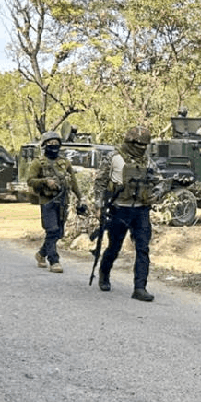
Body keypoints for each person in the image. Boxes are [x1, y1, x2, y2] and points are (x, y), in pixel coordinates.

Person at [93, 126, 161, 302]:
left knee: (143, 248)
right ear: (129, 142)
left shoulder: (147, 161)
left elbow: (158, 182)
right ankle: (104, 273)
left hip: (141, 210)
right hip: (119, 209)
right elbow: (100, 182)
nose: (142, 148)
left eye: (144, 145)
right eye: (139, 145)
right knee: (114, 247)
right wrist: (99, 206)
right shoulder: (114, 158)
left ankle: (140, 288)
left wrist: (156, 194)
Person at [27, 130, 84, 273]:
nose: (53, 146)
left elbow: (73, 182)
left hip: (63, 201)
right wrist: (45, 181)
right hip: (47, 201)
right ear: (45, 145)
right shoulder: (38, 162)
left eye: (56, 143)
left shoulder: (64, 163)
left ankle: (41, 254)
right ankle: (54, 261)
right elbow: (30, 181)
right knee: (51, 229)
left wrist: (80, 198)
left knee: (58, 233)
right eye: (50, 143)